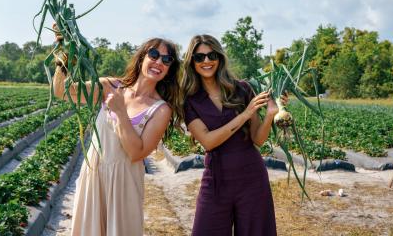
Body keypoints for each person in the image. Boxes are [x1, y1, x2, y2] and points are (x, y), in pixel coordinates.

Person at [52, 27, 181, 236]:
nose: (159, 63)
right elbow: (61, 91)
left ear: (169, 69)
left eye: (166, 61)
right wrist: (64, 56)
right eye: (154, 55)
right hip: (94, 174)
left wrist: (120, 112)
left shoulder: (161, 109)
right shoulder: (108, 86)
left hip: (123, 183)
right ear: (142, 58)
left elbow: (136, 153)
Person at [181, 34, 278, 236]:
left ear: (220, 57)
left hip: (252, 177)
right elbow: (208, 142)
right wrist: (245, 114)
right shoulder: (190, 100)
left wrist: (269, 115)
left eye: (211, 55)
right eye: (199, 58)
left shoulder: (242, 89)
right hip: (216, 180)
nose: (206, 61)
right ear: (192, 62)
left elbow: (258, 139)